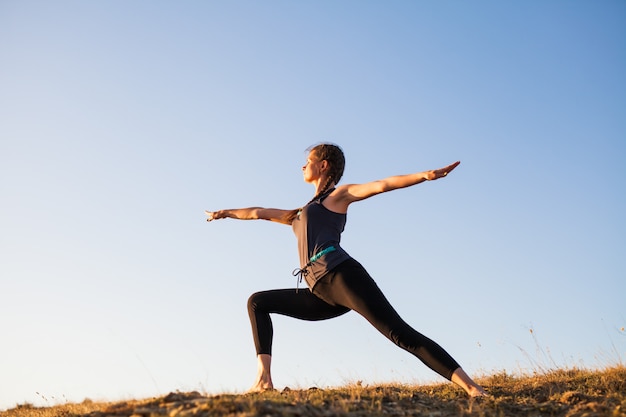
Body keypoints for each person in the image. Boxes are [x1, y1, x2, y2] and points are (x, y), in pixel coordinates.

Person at [205, 143, 487, 397]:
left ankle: (472, 388)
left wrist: (424, 175)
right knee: (258, 302)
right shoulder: (300, 213)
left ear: (323, 165)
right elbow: (259, 212)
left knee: (400, 333)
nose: (303, 166)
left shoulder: (338, 196)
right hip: (320, 292)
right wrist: (226, 212)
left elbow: (382, 184)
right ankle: (263, 379)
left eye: (309, 160)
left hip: (342, 276)